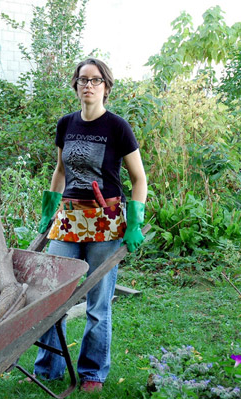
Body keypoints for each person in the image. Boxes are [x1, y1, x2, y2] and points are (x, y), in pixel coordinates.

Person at [35, 58, 148, 392]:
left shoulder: (117, 127)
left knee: (98, 301)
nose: (87, 85)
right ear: (75, 86)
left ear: (106, 87)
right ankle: (50, 366)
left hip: (106, 220)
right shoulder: (65, 124)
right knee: (50, 293)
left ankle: (92, 373)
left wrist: (135, 222)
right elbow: (59, 170)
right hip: (69, 218)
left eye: (95, 80)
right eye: (82, 80)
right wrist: (49, 207)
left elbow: (139, 178)